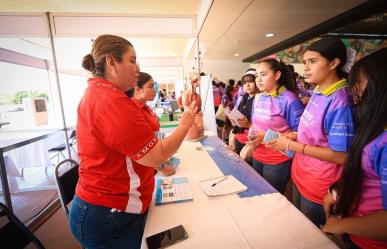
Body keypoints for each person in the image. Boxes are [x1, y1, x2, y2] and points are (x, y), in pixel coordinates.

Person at [70, 34, 197, 249]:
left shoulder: (99, 94)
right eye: (131, 60)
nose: (137, 68)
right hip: (109, 210)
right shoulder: (111, 101)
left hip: (107, 206)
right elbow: (156, 155)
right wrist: (184, 124)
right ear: (111, 62)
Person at [266, 37, 355, 227]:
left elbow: (342, 156)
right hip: (301, 175)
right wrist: (294, 136)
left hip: (319, 184)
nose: (305, 68)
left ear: (333, 63)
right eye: (305, 62)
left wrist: (291, 145)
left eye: (313, 61)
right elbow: (316, 133)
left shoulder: (340, 101)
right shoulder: (319, 91)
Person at [321, 47, 387, 249]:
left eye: (359, 82)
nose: (354, 91)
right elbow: (364, 170)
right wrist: (336, 191)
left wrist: (341, 225)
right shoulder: (374, 124)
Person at [249, 59, 304, 193]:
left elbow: (300, 134)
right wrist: (251, 135)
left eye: (263, 74)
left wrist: (265, 136)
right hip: (257, 154)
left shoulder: (289, 99)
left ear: (277, 75)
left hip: (277, 161)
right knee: (257, 194)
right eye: (257, 76)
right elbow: (254, 125)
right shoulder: (259, 97)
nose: (258, 80)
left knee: (272, 198)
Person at [126, 72, 175, 176]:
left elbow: (154, 134)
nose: (155, 90)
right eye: (150, 86)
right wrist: (161, 167)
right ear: (137, 89)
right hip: (143, 169)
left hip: (153, 162)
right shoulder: (133, 111)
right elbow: (141, 146)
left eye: (154, 86)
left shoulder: (145, 107)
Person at [232, 70, 258, 155]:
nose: (247, 85)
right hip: (239, 137)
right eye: (245, 82)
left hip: (250, 141)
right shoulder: (241, 98)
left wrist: (248, 124)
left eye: (251, 82)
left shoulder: (260, 99)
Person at [182, 71, 204, 140]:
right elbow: (187, 108)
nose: (198, 83)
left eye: (198, 80)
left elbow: (199, 108)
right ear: (190, 81)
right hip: (191, 121)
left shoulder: (197, 96)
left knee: (200, 138)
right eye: (195, 81)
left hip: (198, 120)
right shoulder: (186, 94)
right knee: (194, 137)